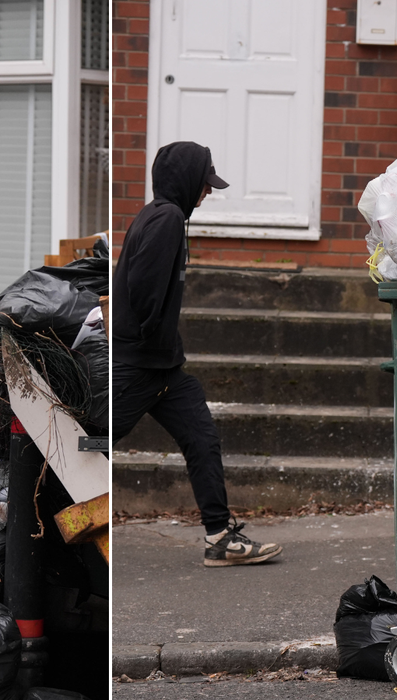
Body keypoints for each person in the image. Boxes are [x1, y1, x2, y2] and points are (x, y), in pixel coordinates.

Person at [112, 141, 282, 567]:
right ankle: (39, 496)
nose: (207, 193)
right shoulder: (166, 217)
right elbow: (143, 286)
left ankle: (220, 538)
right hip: (139, 363)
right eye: (205, 185)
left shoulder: (165, 216)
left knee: (202, 439)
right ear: (187, 181)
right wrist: (150, 336)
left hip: (165, 368)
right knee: (92, 441)